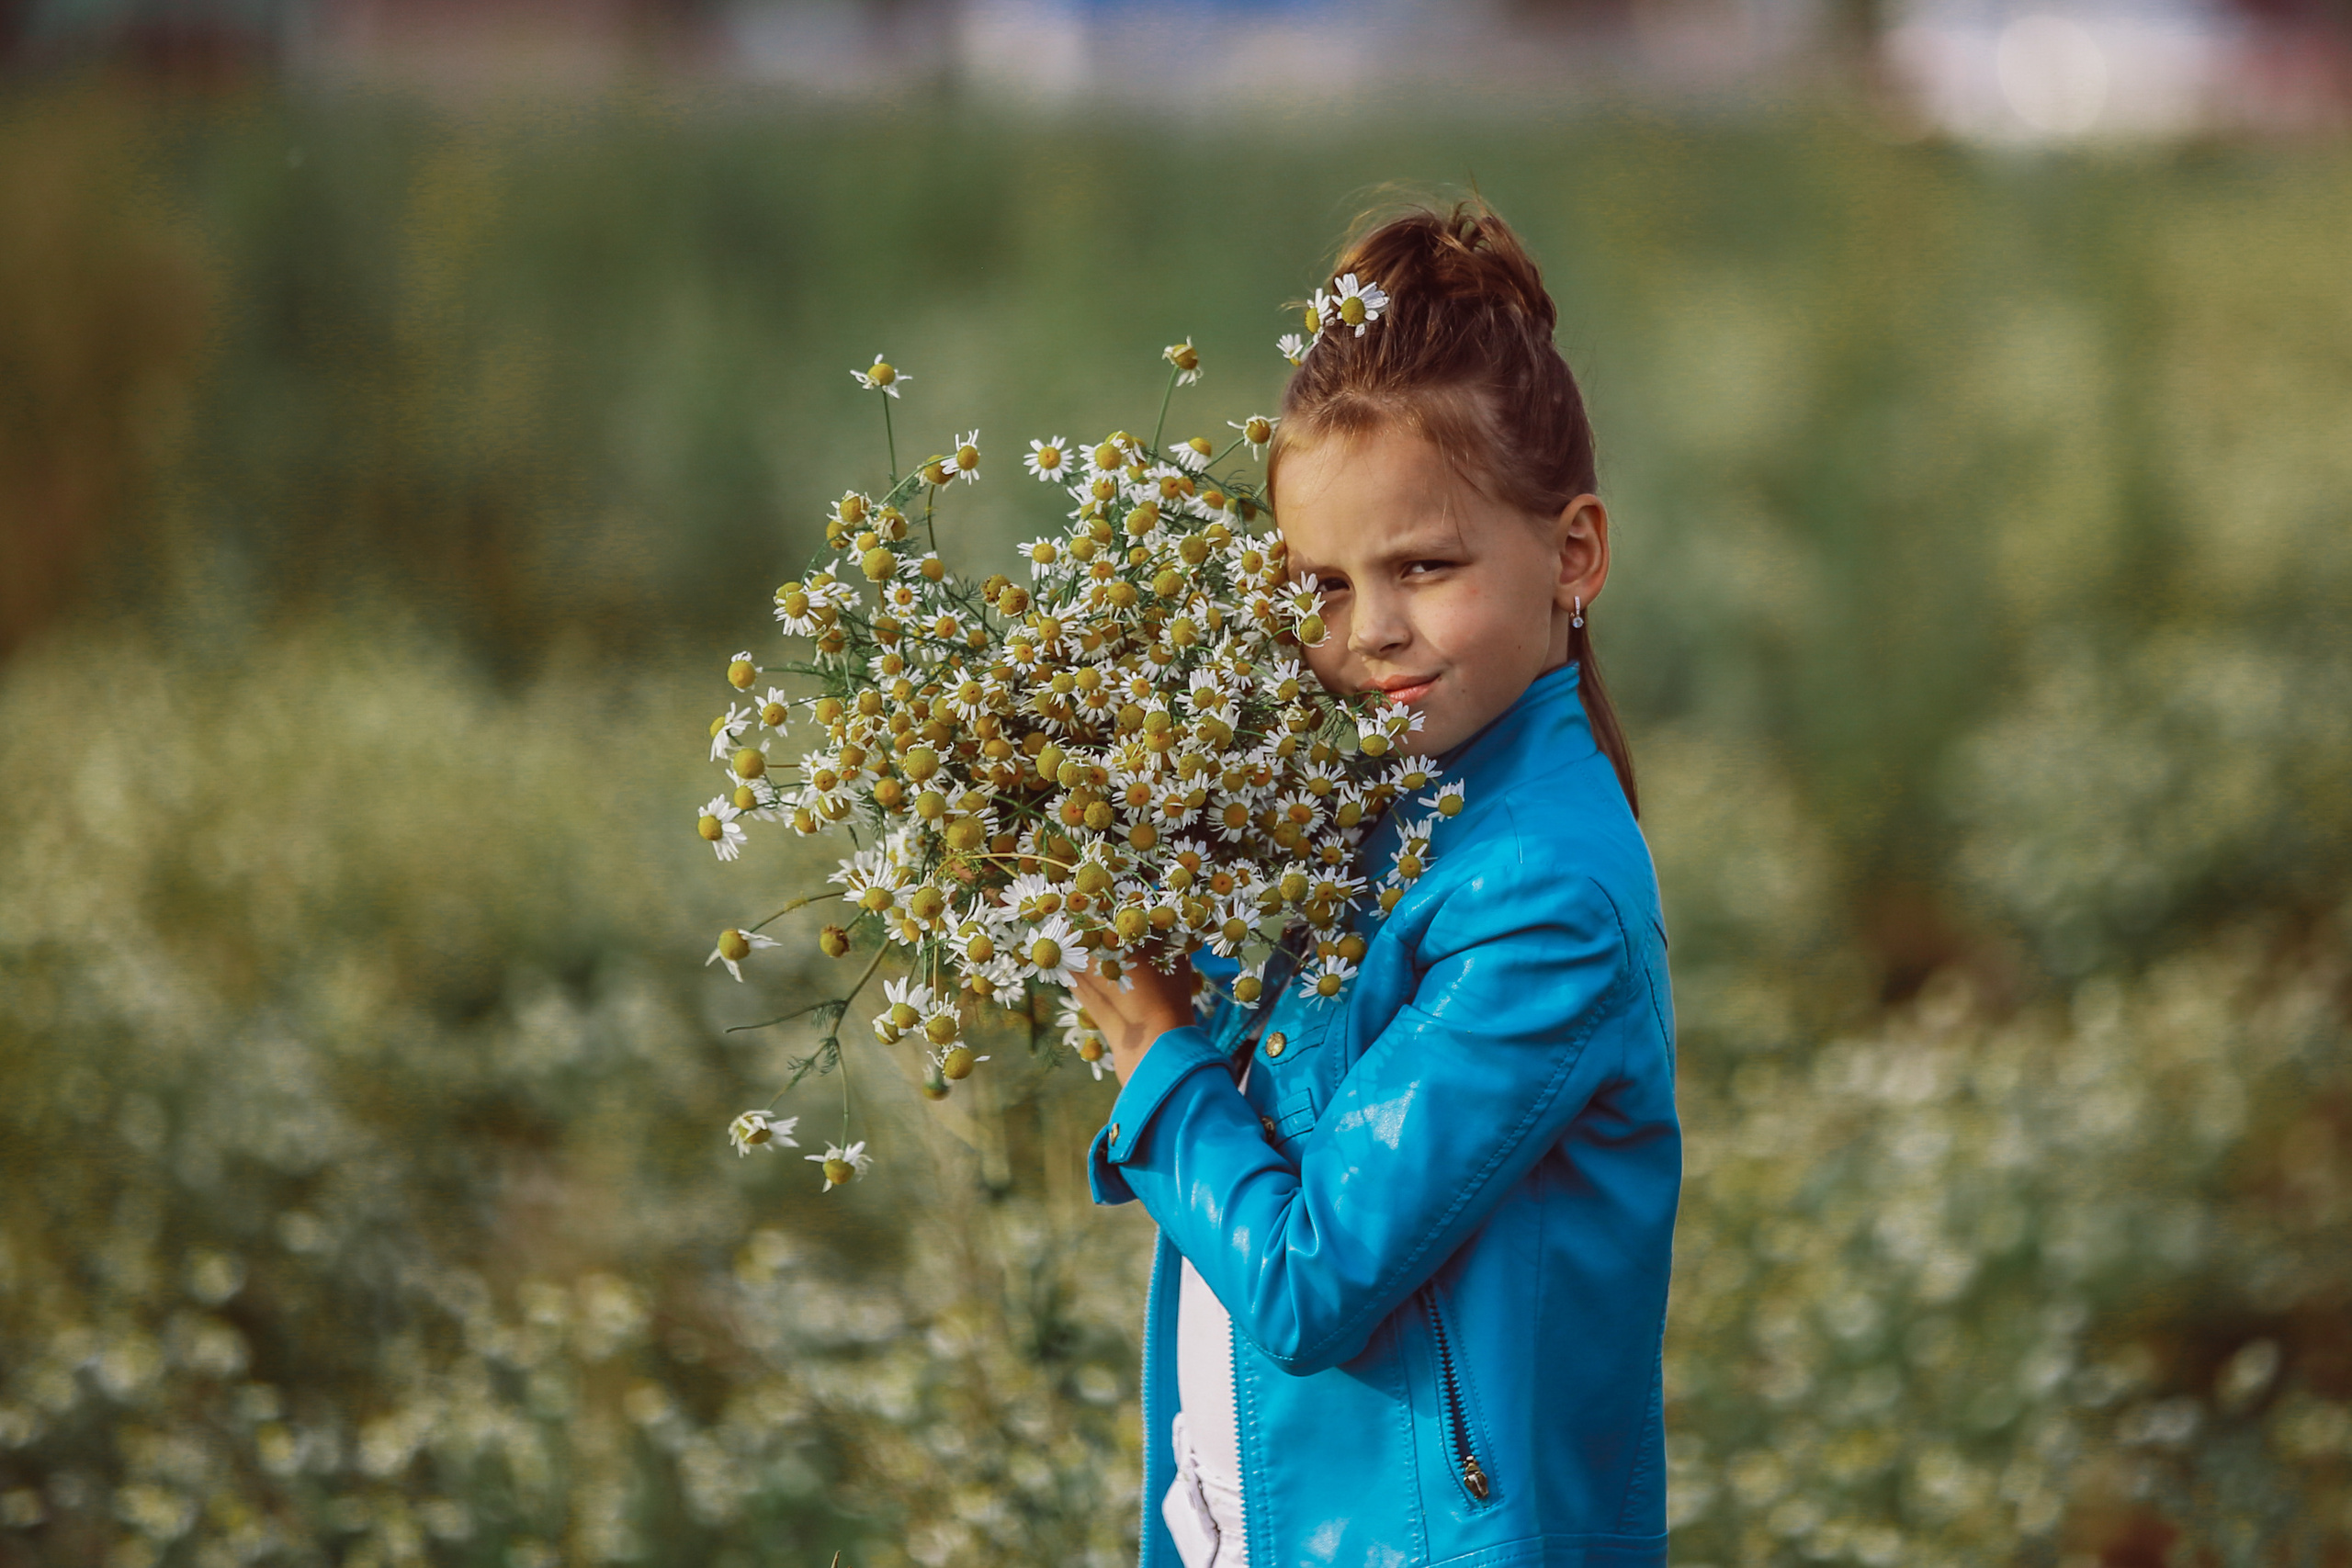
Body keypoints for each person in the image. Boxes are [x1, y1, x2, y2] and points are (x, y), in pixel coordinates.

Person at [1069, 200, 1680, 1568]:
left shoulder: (1542, 902)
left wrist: (1158, 1060)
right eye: (1321, 589)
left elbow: (1306, 1278)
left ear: (1573, 554)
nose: (1372, 634)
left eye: (1426, 566)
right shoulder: (1360, 808)